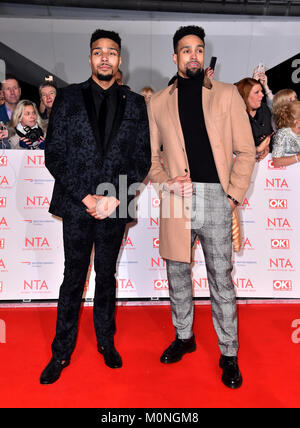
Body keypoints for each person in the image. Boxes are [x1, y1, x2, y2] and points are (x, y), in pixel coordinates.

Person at [40, 29, 151, 384]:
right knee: (73, 277)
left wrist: (115, 197)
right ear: (90, 59)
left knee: (106, 277)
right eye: (98, 52)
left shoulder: (135, 103)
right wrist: (86, 198)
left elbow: (142, 159)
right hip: (77, 206)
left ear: (120, 60)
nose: (105, 57)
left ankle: (106, 341)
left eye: (112, 52)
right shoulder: (68, 98)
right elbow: (53, 155)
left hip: (114, 205)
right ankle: (61, 352)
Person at [148, 25, 255, 389]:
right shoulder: (158, 102)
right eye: (185, 50)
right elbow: (151, 160)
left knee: (220, 280)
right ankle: (184, 337)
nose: (193, 55)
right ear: (175, 56)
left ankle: (229, 353)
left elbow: (246, 151)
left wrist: (231, 197)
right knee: (177, 275)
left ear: (202, 54)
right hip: (177, 199)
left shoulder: (227, 95)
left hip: (216, 198)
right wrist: (166, 183)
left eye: (198, 49)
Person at [235, 77, 273, 161]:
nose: (262, 95)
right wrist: (257, 150)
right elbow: (235, 148)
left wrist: (266, 148)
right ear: (245, 96)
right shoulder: (234, 116)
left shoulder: (264, 109)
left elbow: (268, 135)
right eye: (257, 92)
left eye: (261, 91)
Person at [272, 101, 300, 167]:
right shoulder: (282, 134)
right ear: (296, 121)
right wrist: (298, 157)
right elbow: (276, 161)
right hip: (287, 174)